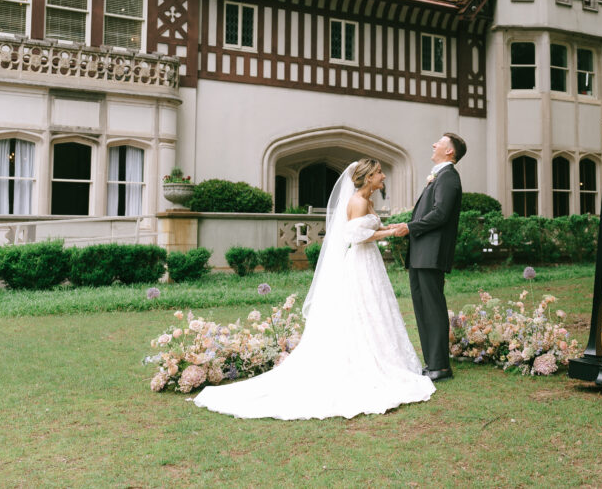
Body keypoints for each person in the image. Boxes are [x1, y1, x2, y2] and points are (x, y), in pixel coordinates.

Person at [192, 158, 434, 419]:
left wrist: (391, 227)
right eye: (378, 173)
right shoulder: (358, 201)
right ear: (367, 178)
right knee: (361, 309)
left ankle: (389, 357)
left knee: (377, 309)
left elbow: (369, 227)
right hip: (360, 263)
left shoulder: (369, 201)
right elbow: (354, 235)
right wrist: (390, 234)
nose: (383, 176)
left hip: (371, 262)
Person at [394, 133, 465, 382]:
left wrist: (410, 227)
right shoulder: (440, 176)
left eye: (440, 142)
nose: (434, 144)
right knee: (422, 308)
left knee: (433, 309)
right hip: (421, 253)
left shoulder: (448, 178)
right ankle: (432, 362)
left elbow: (440, 214)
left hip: (431, 254)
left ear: (450, 151)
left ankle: (441, 366)